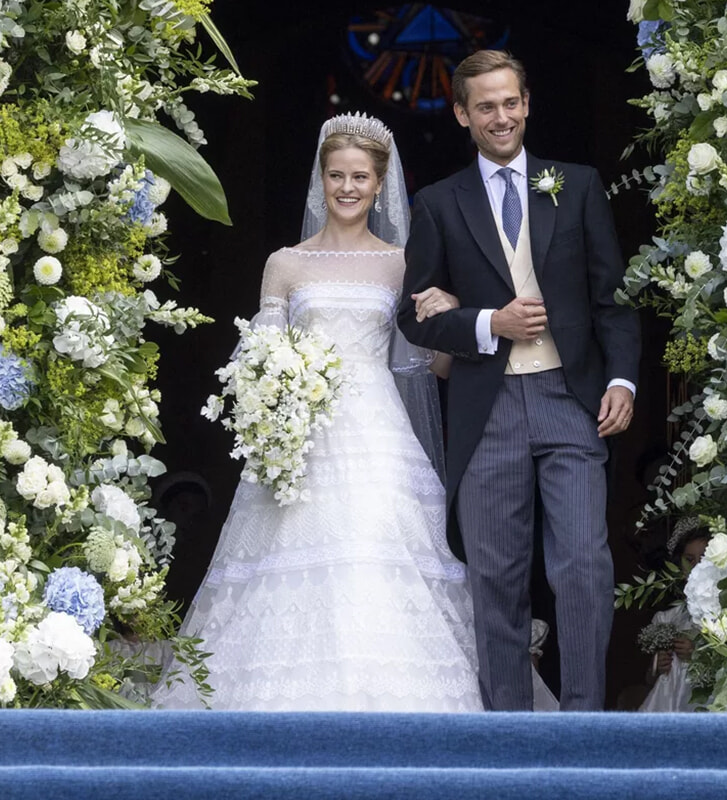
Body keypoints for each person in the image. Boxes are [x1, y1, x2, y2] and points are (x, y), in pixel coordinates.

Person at [154, 113, 482, 711]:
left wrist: (450, 313)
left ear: (380, 184)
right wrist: (274, 395)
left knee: (375, 551)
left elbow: (433, 366)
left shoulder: (401, 263)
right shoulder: (285, 263)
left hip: (378, 436)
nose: (348, 187)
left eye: (360, 177)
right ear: (321, 179)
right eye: (337, 175)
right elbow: (257, 359)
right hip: (298, 437)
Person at [398, 49, 642, 711]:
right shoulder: (439, 203)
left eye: (510, 102)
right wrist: (488, 323)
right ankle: (509, 732)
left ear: (527, 104)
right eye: (486, 107)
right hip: (488, 406)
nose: (501, 117)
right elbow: (413, 317)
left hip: (571, 397)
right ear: (462, 115)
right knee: (497, 576)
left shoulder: (578, 185)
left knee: (584, 564)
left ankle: (583, 722)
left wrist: (622, 380)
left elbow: (613, 300)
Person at [639, 518, 708, 712]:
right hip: (667, 703)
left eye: (704, 558)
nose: (697, 566)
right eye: (689, 559)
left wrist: (698, 655)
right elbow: (650, 679)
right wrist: (657, 665)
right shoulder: (668, 618)